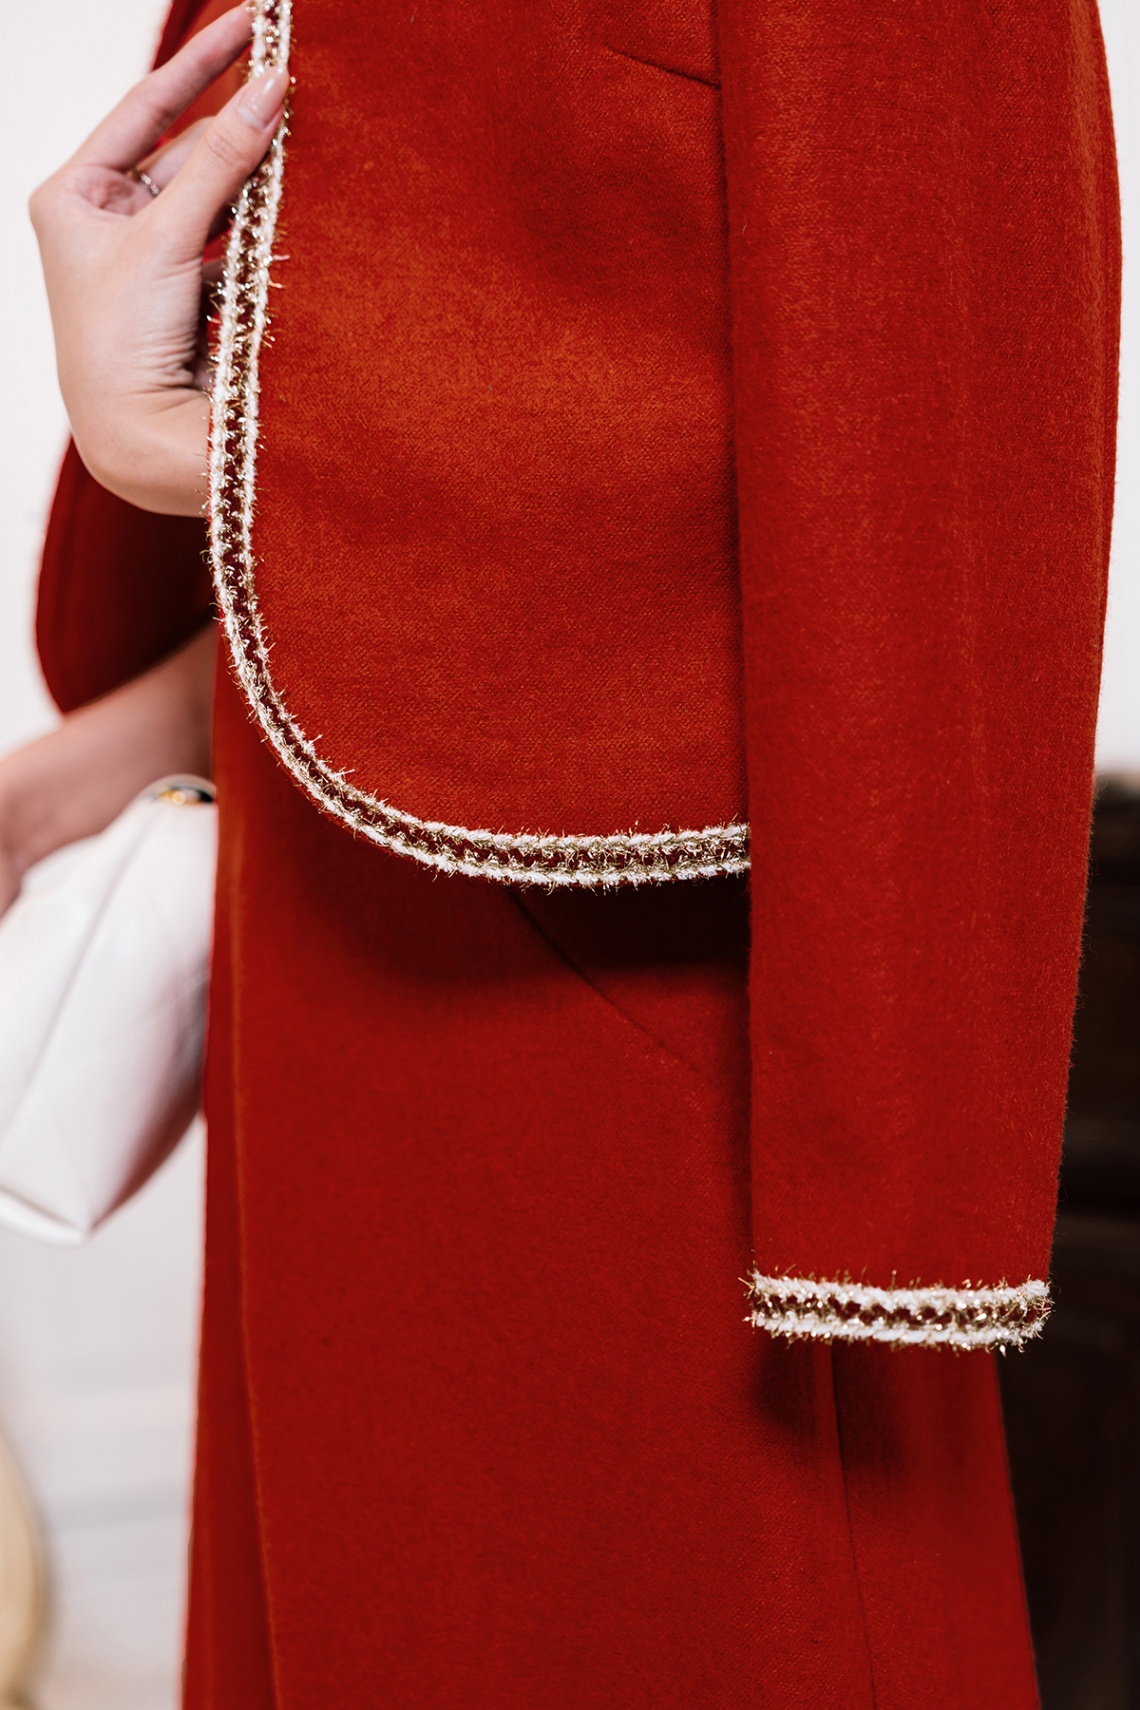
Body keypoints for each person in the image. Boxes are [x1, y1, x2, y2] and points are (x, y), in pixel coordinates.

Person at [2, 0, 1119, 1702]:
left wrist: (203, 453)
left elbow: (921, 388)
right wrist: (171, 708)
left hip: (645, 1004)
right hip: (341, 916)